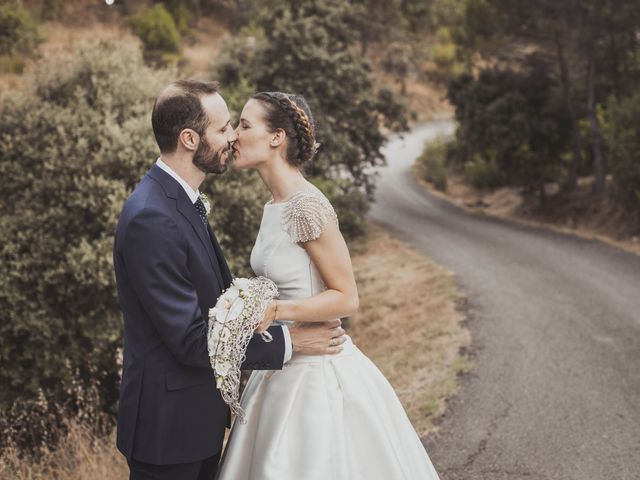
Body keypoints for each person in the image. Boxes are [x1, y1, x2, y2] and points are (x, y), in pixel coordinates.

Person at [113, 80, 347, 480]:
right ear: (189, 139)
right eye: (223, 128)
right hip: (167, 431)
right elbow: (189, 339)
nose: (232, 137)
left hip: (194, 420)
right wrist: (291, 341)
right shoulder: (152, 216)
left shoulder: (181, 202)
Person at [215, 91, 441, 479]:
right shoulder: (275, 205)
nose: (234, 135)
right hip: (282, 364)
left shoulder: (306, 206)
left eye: (245, 125)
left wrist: (275, 311)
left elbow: (347, 297)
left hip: (316, 370)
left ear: (276, 138)